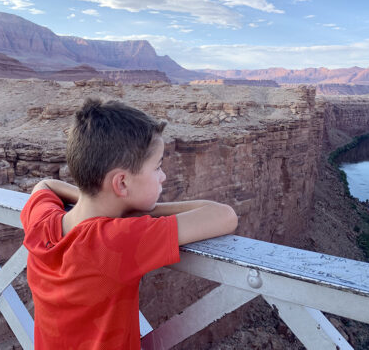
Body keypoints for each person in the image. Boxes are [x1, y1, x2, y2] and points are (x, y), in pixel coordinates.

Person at [20, 98, 238, 350]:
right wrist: (143, 212)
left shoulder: (42, 223)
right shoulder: (114, 240)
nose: (164, 176)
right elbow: (224, 215)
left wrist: (102, 203)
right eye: (157, 167)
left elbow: (44, 186)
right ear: (121, 183)